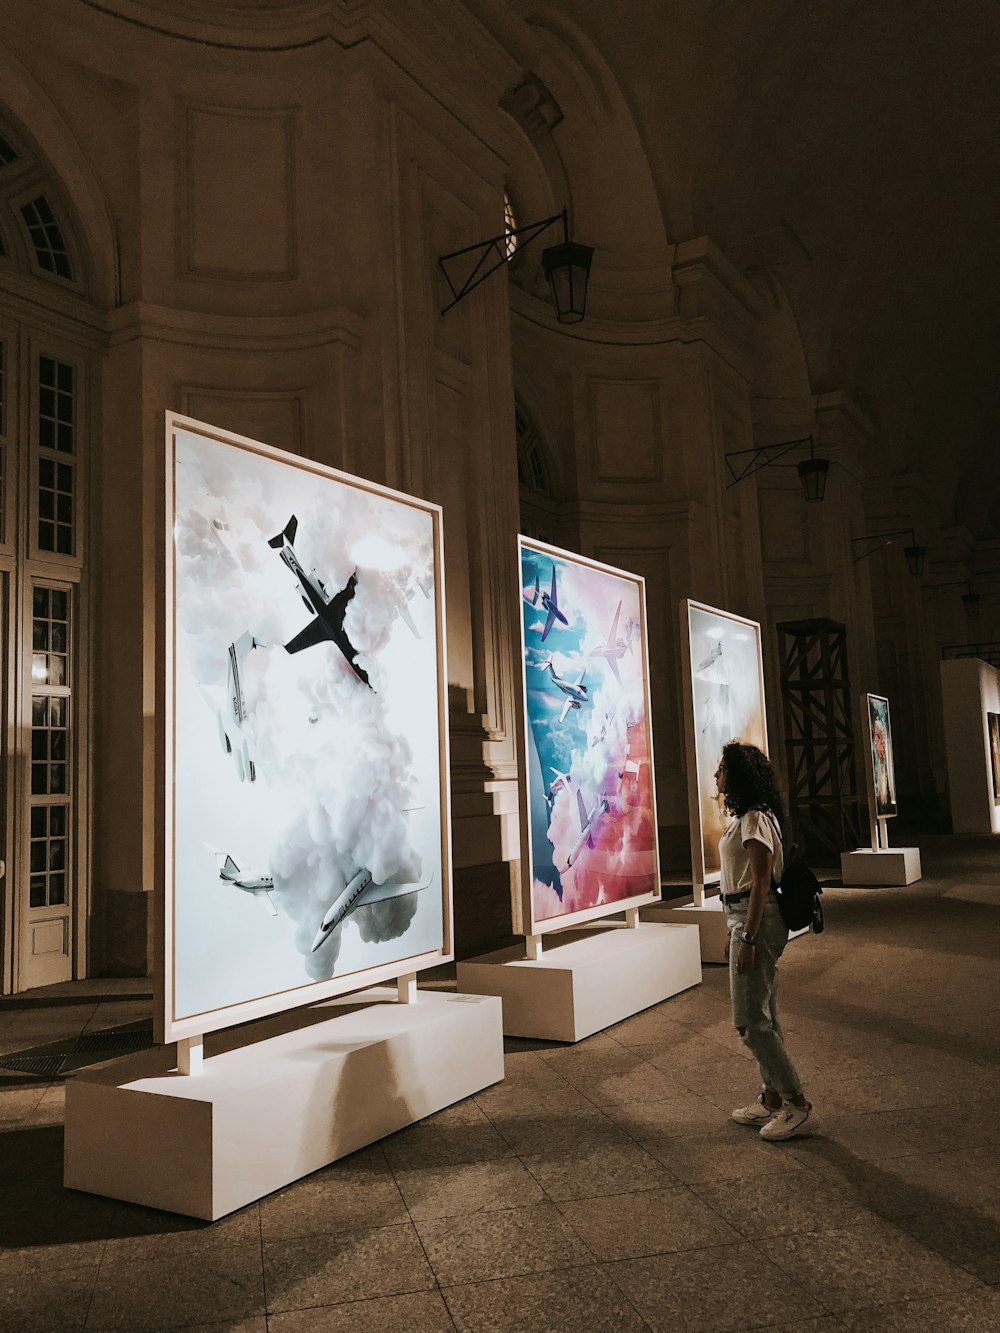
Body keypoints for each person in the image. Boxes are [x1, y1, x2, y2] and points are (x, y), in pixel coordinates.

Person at [715, 741, 816, 1140]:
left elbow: (759, 881)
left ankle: (798, 1104)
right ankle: (771, 1099)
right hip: (742, 917)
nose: (717, 776)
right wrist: (734, 930)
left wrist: (750, 937)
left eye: (722, 769)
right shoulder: (750, 817)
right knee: (764, 1014)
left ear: (737, 775)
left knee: (750, 1022)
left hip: (755, 919)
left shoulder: (755, 818)